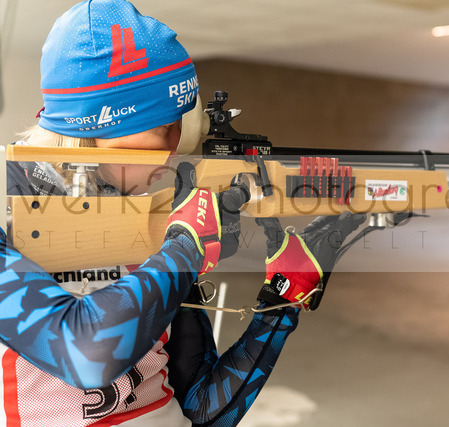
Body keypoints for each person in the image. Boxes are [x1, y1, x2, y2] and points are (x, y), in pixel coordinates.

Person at [0, 0, 365, 426]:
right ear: (100, 125)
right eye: (162, 130)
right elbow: (85, 355)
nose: (173, 149)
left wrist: (284, 297)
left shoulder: (145, 223)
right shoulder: (10, 215)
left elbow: (204, 409)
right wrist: (185, 247)